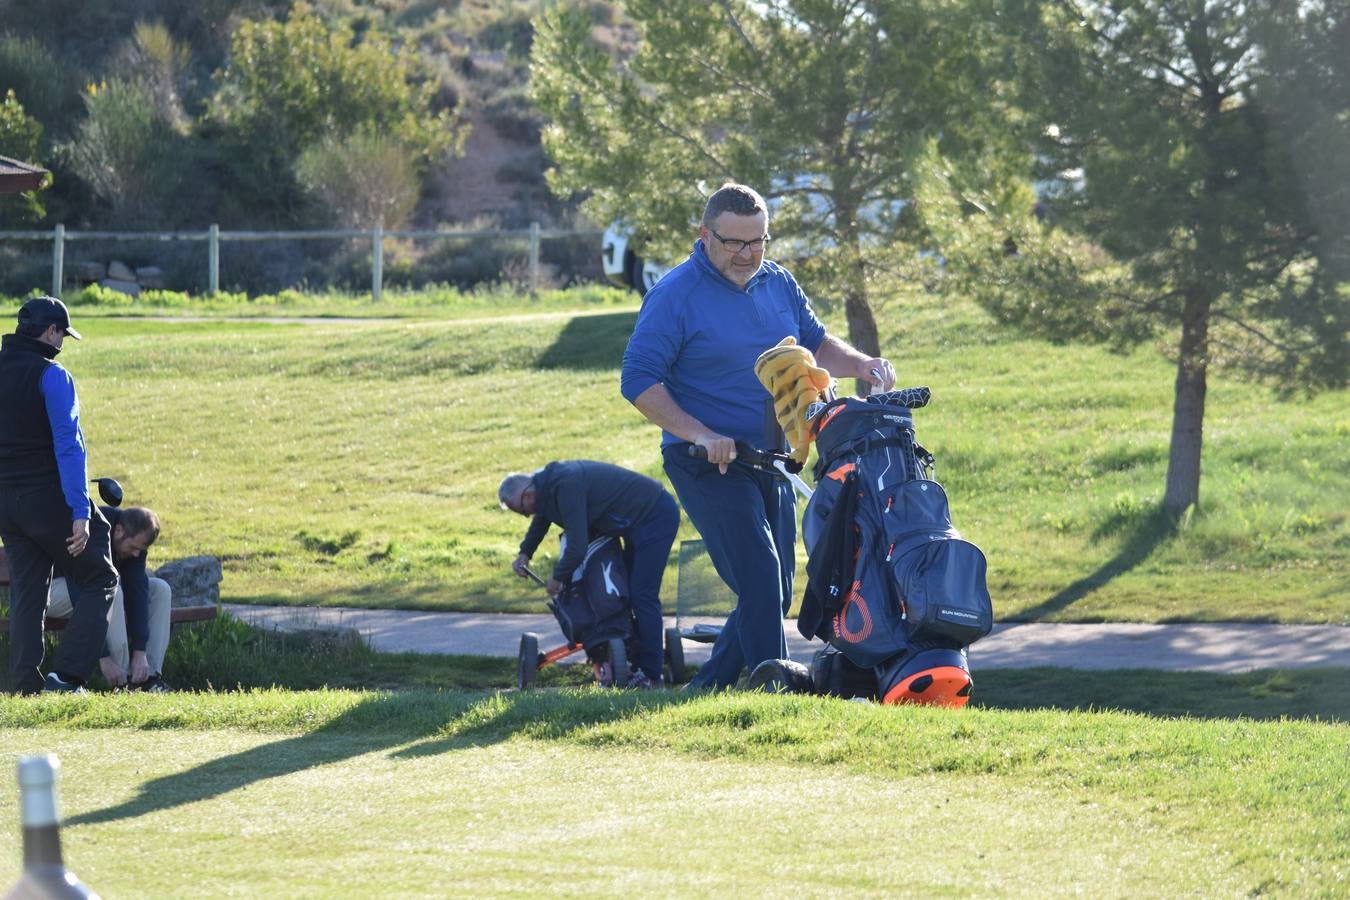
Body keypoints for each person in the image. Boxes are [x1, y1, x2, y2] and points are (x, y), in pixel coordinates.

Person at [619, 183, 897, 690]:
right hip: (708, 462)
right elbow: (637, 380)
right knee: (761, 580)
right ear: (705, 236)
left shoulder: (777, 281)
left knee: (776, 587)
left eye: (758, 241)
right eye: (734, 243)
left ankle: (705, 694)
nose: (747, 254)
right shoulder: (674, 295)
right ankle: (779, 695)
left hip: (774, 458)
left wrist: (863, 364)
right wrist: (701, 434)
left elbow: (814, 342)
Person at [0, 296, 118, 694]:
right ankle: (66, 677)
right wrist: (80, 508)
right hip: (48, 498)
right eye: (62, 335)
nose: (63, 343)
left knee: (28, 592)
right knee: (100, 575)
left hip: (6, 504)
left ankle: (23, 686)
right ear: (50, 331)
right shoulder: (52, 375)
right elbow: (69, 444)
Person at [499, 461, 680, 688]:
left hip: (654, 516)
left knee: (643, 594)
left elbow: (577, 546)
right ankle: (633, 656)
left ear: (527, 495)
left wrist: (558, 577)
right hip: (634, 522)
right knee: (628, 592)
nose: (527, 516)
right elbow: (542, 520)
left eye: (523, 511)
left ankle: (650, 674)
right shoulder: (546, 488)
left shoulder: (565, 485)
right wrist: (525, 553)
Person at [48, 505, 171, 692]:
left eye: (141, 550)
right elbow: (81, 590)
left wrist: (140, 650)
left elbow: (137, 590)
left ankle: (148, 678)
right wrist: (103, 656)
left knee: (160, 589)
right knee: (112, 591)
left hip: (90, 593)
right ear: (119, 530)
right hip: (49, 591)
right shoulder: (92, 527)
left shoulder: (135, 541)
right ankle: (122, 683)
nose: (136, 554)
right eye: (133, 548)